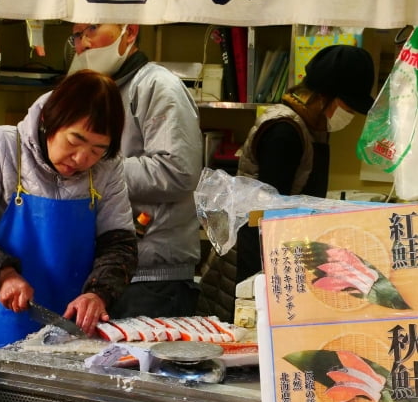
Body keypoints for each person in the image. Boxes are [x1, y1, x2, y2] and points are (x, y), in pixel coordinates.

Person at [0, 70, 138, 347]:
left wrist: (98, 293)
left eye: (97, 149)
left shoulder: (107, 168)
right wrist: (2, 274)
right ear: (48, 120)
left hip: (70, 336)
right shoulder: (2, 147)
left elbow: (120, 244)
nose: (82, 158)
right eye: (74, 141)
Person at [199, 43, 376, 322]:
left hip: (275, 254)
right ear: (324, 96)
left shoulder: (311, 126)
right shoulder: (285, 131)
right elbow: (270, 216)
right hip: (251, 258)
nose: (350, 115)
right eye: (347, 106)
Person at [68, 23, 203, 318]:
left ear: (130, 32)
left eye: (92, 28)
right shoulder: (93, 88)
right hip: (101, 275)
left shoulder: (157, 85)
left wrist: (92, 168)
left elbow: (178, 170)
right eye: (77, 35)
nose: (84, 43)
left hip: (152, 277)